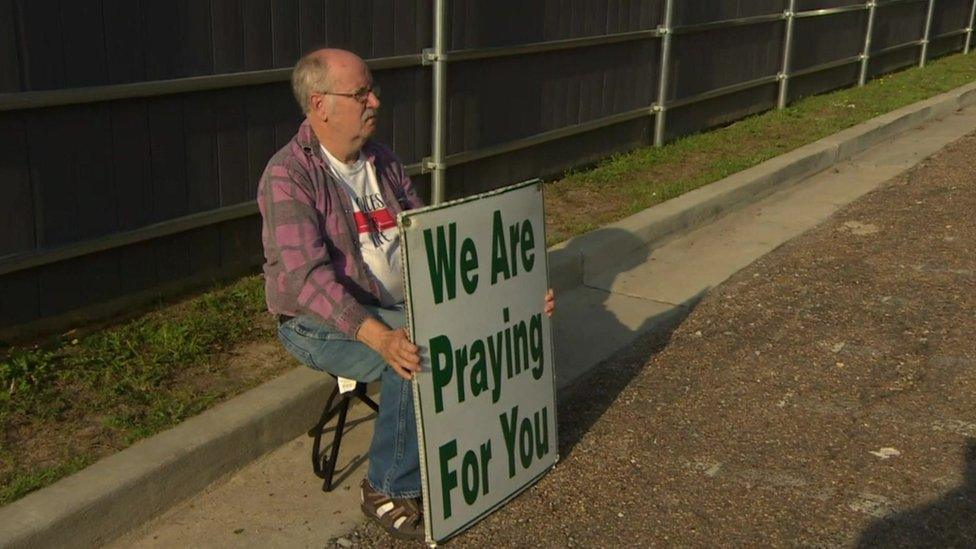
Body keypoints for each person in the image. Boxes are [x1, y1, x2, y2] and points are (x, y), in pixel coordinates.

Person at [257, 48, 554, 541]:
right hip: (316, 323)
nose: (375, 100)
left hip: (394, 305)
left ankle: (460, 448)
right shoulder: (289, 175)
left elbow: (431, 239)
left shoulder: (381, 161)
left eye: (372, 90)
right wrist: (381, 336)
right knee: (416, 354)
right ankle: (385, 485)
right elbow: (306, 281)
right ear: (320, 105)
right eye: (361, 93)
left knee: (451, 332)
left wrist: (512, 295)